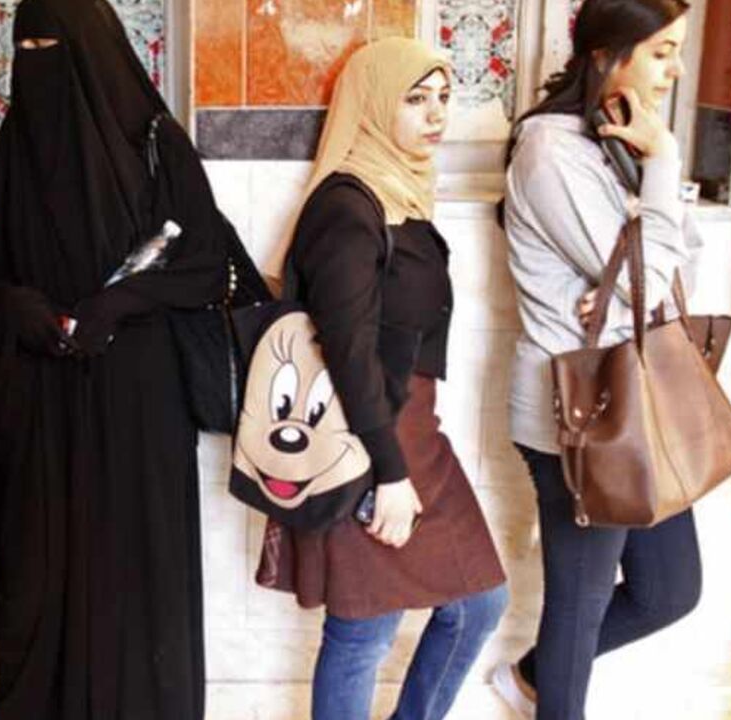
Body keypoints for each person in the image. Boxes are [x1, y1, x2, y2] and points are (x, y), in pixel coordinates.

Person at [0, 0, 255, 717]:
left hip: (137, 398)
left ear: (95, 49)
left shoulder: (156, 139)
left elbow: (203, 264)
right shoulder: (14, 150)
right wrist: (24, 308)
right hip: (43, 394)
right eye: (25, 44)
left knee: (134, 568)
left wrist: (114, 306)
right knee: (41, 569)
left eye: (53, 43)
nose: (37, 59)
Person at [254, 38, 508, 720]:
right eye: (415, 98)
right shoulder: (349, 207)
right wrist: (388, 475)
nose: (436, 115)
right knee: (364, 626)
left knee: (477, 602)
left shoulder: (398, 191)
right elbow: (348, 350)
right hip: (371, 437)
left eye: (444, 98)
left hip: (413, 427)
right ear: (369, 106)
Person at [497, 0, 703, 717]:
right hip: (577, 409)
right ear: (605, 54)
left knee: (671, 590)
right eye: (661, 52)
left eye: (678, 52)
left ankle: (530, 677)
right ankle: (551, 692)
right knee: (580, 607)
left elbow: (676, 272)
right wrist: (666, 171)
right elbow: (647, 279)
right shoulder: (552, 150)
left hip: (638, 397)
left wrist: (655, 178)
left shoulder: (621, 142)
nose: (675, 70)